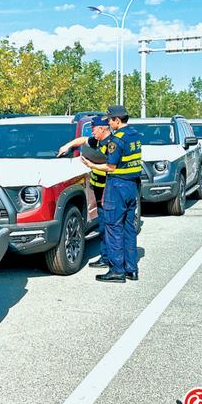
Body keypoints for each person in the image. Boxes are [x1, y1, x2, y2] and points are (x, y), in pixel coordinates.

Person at [81, 105, 141, 283]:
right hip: (132, 186)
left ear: (117, 120)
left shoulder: (118, 140)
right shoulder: (135, 135)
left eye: (110, 120)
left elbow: (110, 167)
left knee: (113, 227)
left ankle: (117, 271)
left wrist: (91, 165)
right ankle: (131, 269)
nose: (108, 122)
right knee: (129, 228)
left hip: (117, 186)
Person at [57, 115, 111, 267]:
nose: (92, 132)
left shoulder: (111, 143)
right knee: (104, 223)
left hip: (109, 189)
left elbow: (112, 167)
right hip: (98, 188)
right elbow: (82, 140)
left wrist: (89, 164)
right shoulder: (98, 140)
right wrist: (67, 146)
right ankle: (108, 257)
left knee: (109, 225)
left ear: (102, 128)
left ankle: (110, 259)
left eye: (93, 129)